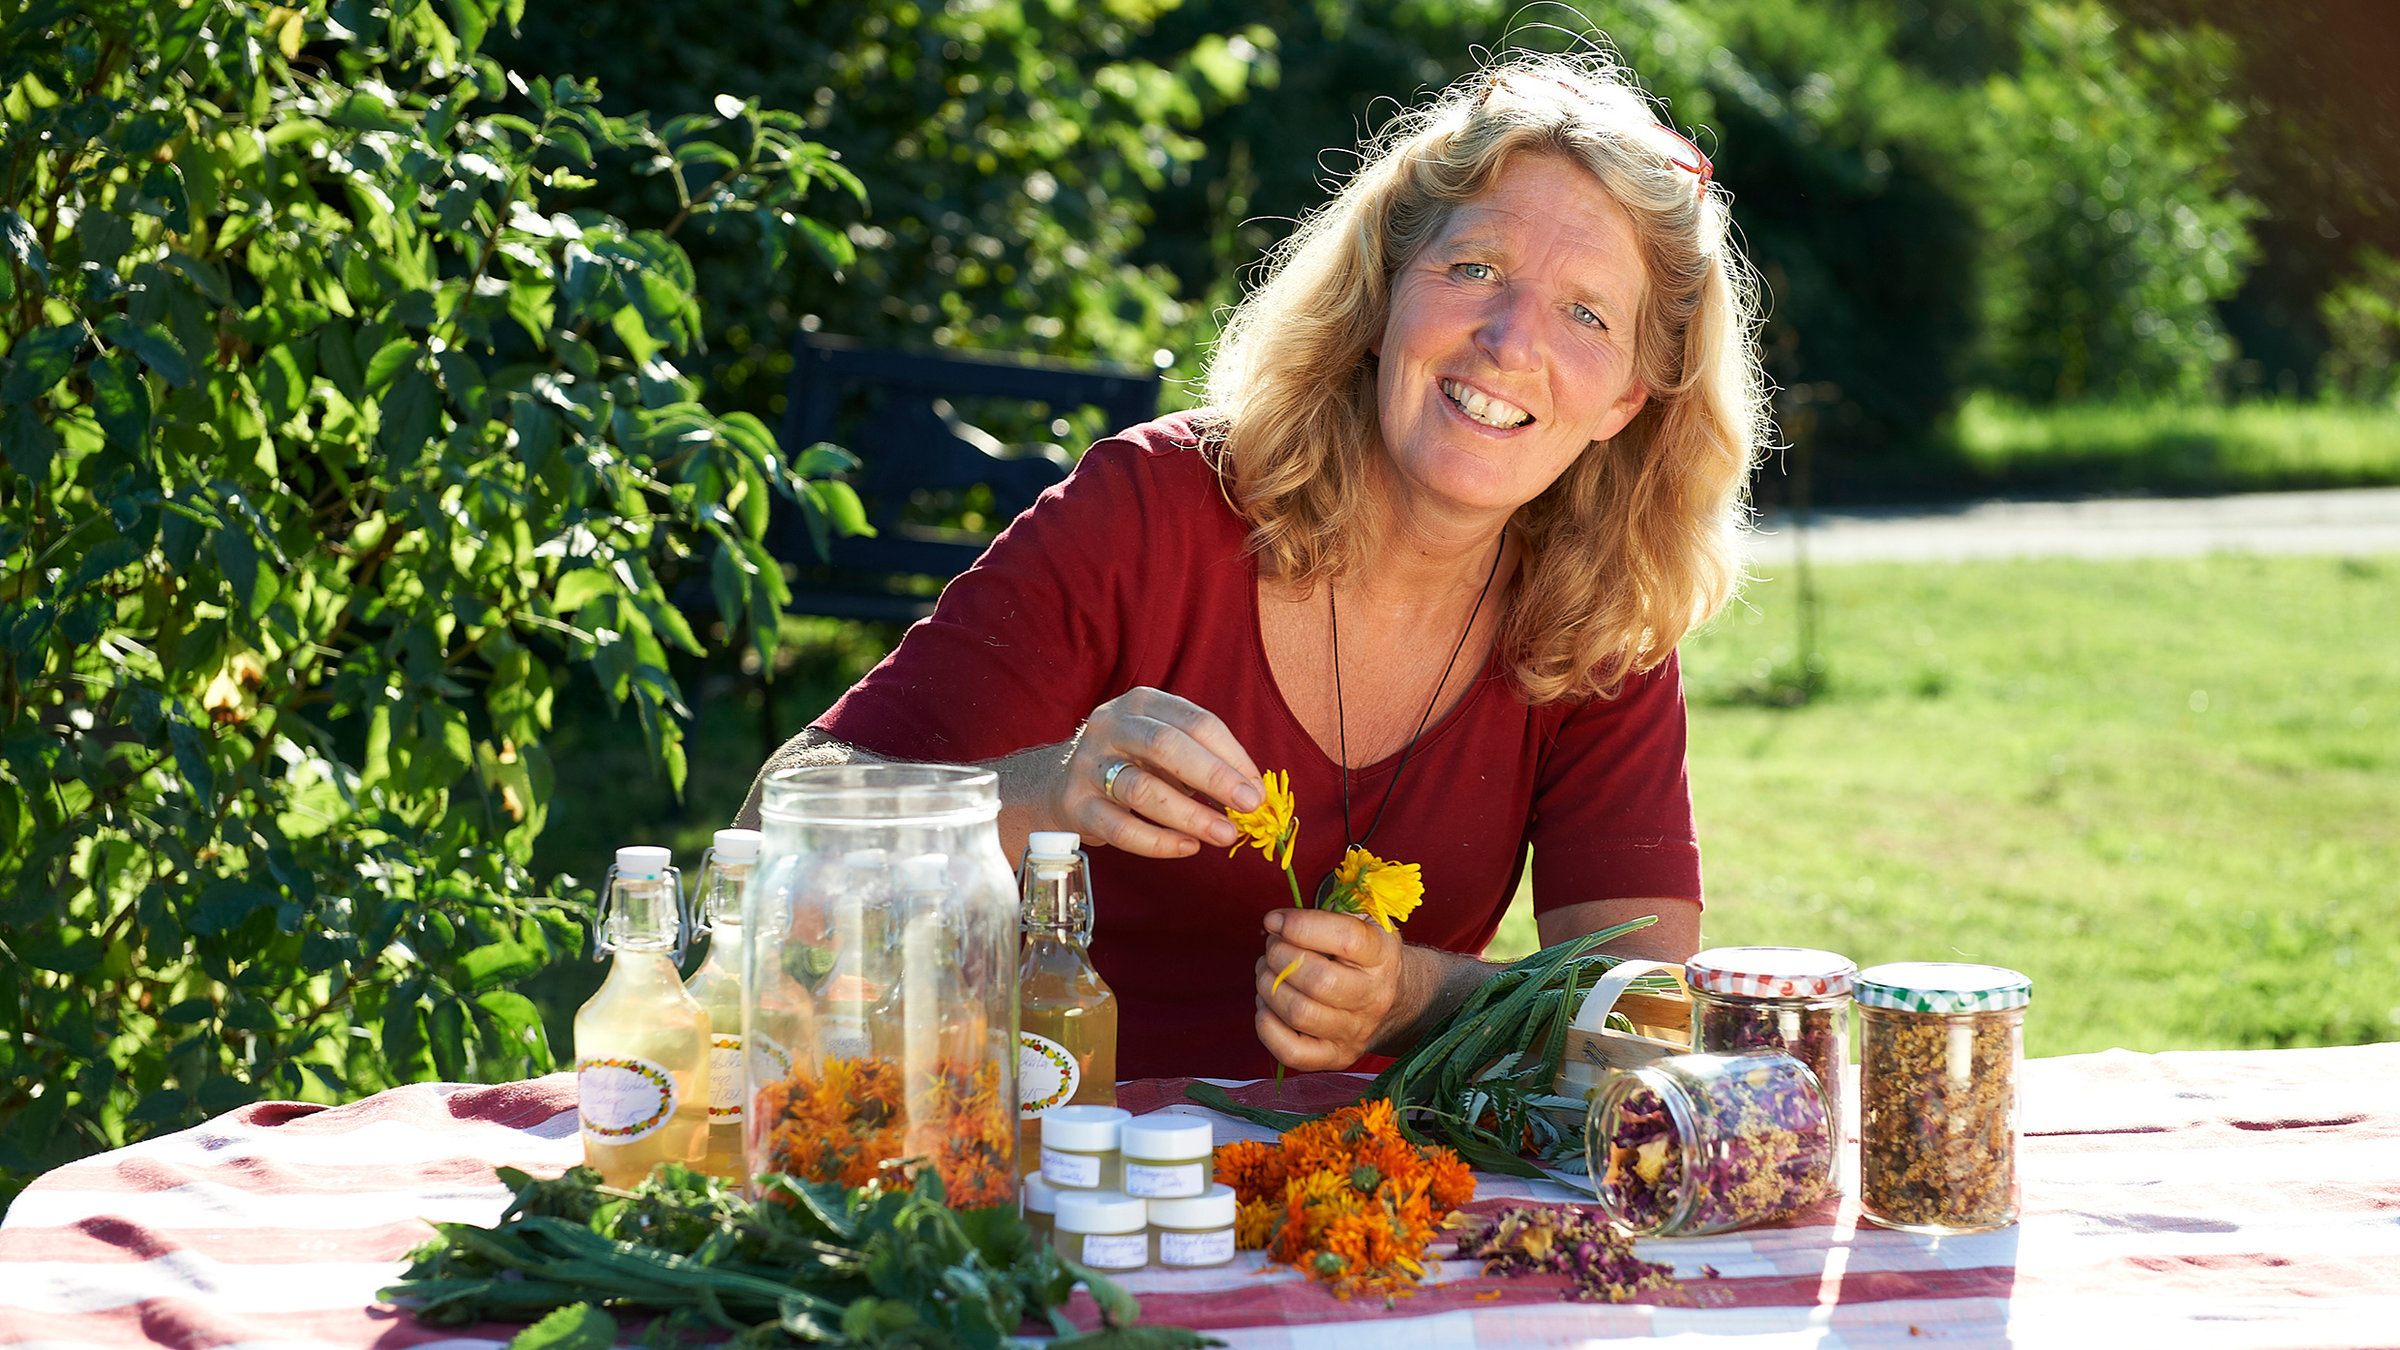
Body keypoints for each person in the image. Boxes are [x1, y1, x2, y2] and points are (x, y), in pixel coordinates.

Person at [736, 49, 1768, 1080]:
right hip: (1040, 1174)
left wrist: (1414, 997)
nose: (1507, 342)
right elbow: (767, 835)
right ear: (1384, 297)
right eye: (1475, 269)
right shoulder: (1151, 509)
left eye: (1586, 312)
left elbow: (1648, 1016)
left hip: (1362, 1203)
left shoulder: (1598, 609)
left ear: (1628, 399)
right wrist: (1044, 789)